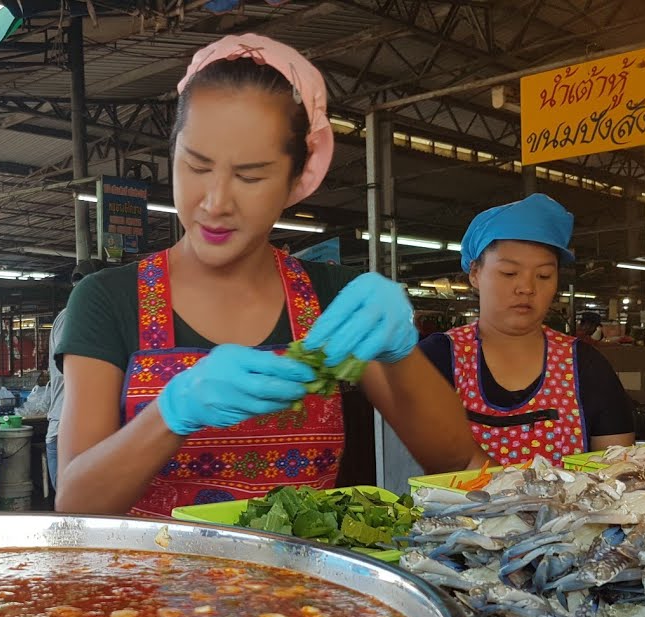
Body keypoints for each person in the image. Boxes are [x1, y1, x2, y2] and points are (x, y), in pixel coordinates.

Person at [54, 35, 483, 517]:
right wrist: (171, 413)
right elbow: (74, 506)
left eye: (251, 177)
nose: (215, 202)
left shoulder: (330, 298)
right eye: (195, 165)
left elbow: (456, 463)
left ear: (297, 177)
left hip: (304, 588)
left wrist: (402, 353)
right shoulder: (108, 300)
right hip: (149, 589)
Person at [418, 194, 635, 466]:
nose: (527, 288)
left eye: (544, 275)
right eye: (509, 273)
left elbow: (617, 470)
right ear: (475, 273)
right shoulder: (435, 359)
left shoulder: (586, 366)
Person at [45, 261, 102, 490]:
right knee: (72, 515)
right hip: (66, 430)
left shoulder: (94, 317)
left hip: (85, 429)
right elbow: (75, 365)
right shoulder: (72, 316)